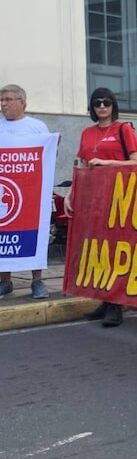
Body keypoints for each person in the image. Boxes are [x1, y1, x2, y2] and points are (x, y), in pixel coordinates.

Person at [64, 87, 137, 326]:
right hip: (92, 200)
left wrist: (106, 163)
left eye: (106, 102)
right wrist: (70, 194)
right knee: (97, 250)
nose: (102, 107)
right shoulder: (87, 133)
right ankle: (105, 300)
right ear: (91, 107)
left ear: (113, 105)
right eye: (97, 103)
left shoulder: (123, 129)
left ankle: (116, 305)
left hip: (118, 197)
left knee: (115, 250)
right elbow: (81, 165)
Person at [0, 84, 50, 299]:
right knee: (3, 237)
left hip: (31, 193)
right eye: (2, 100)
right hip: (6, 189)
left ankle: (37, 281)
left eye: (9, 99)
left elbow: (49, 155)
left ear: (23, 102)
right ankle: (5, 281)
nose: (4, 104)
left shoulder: (37, 127)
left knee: (34, 235)